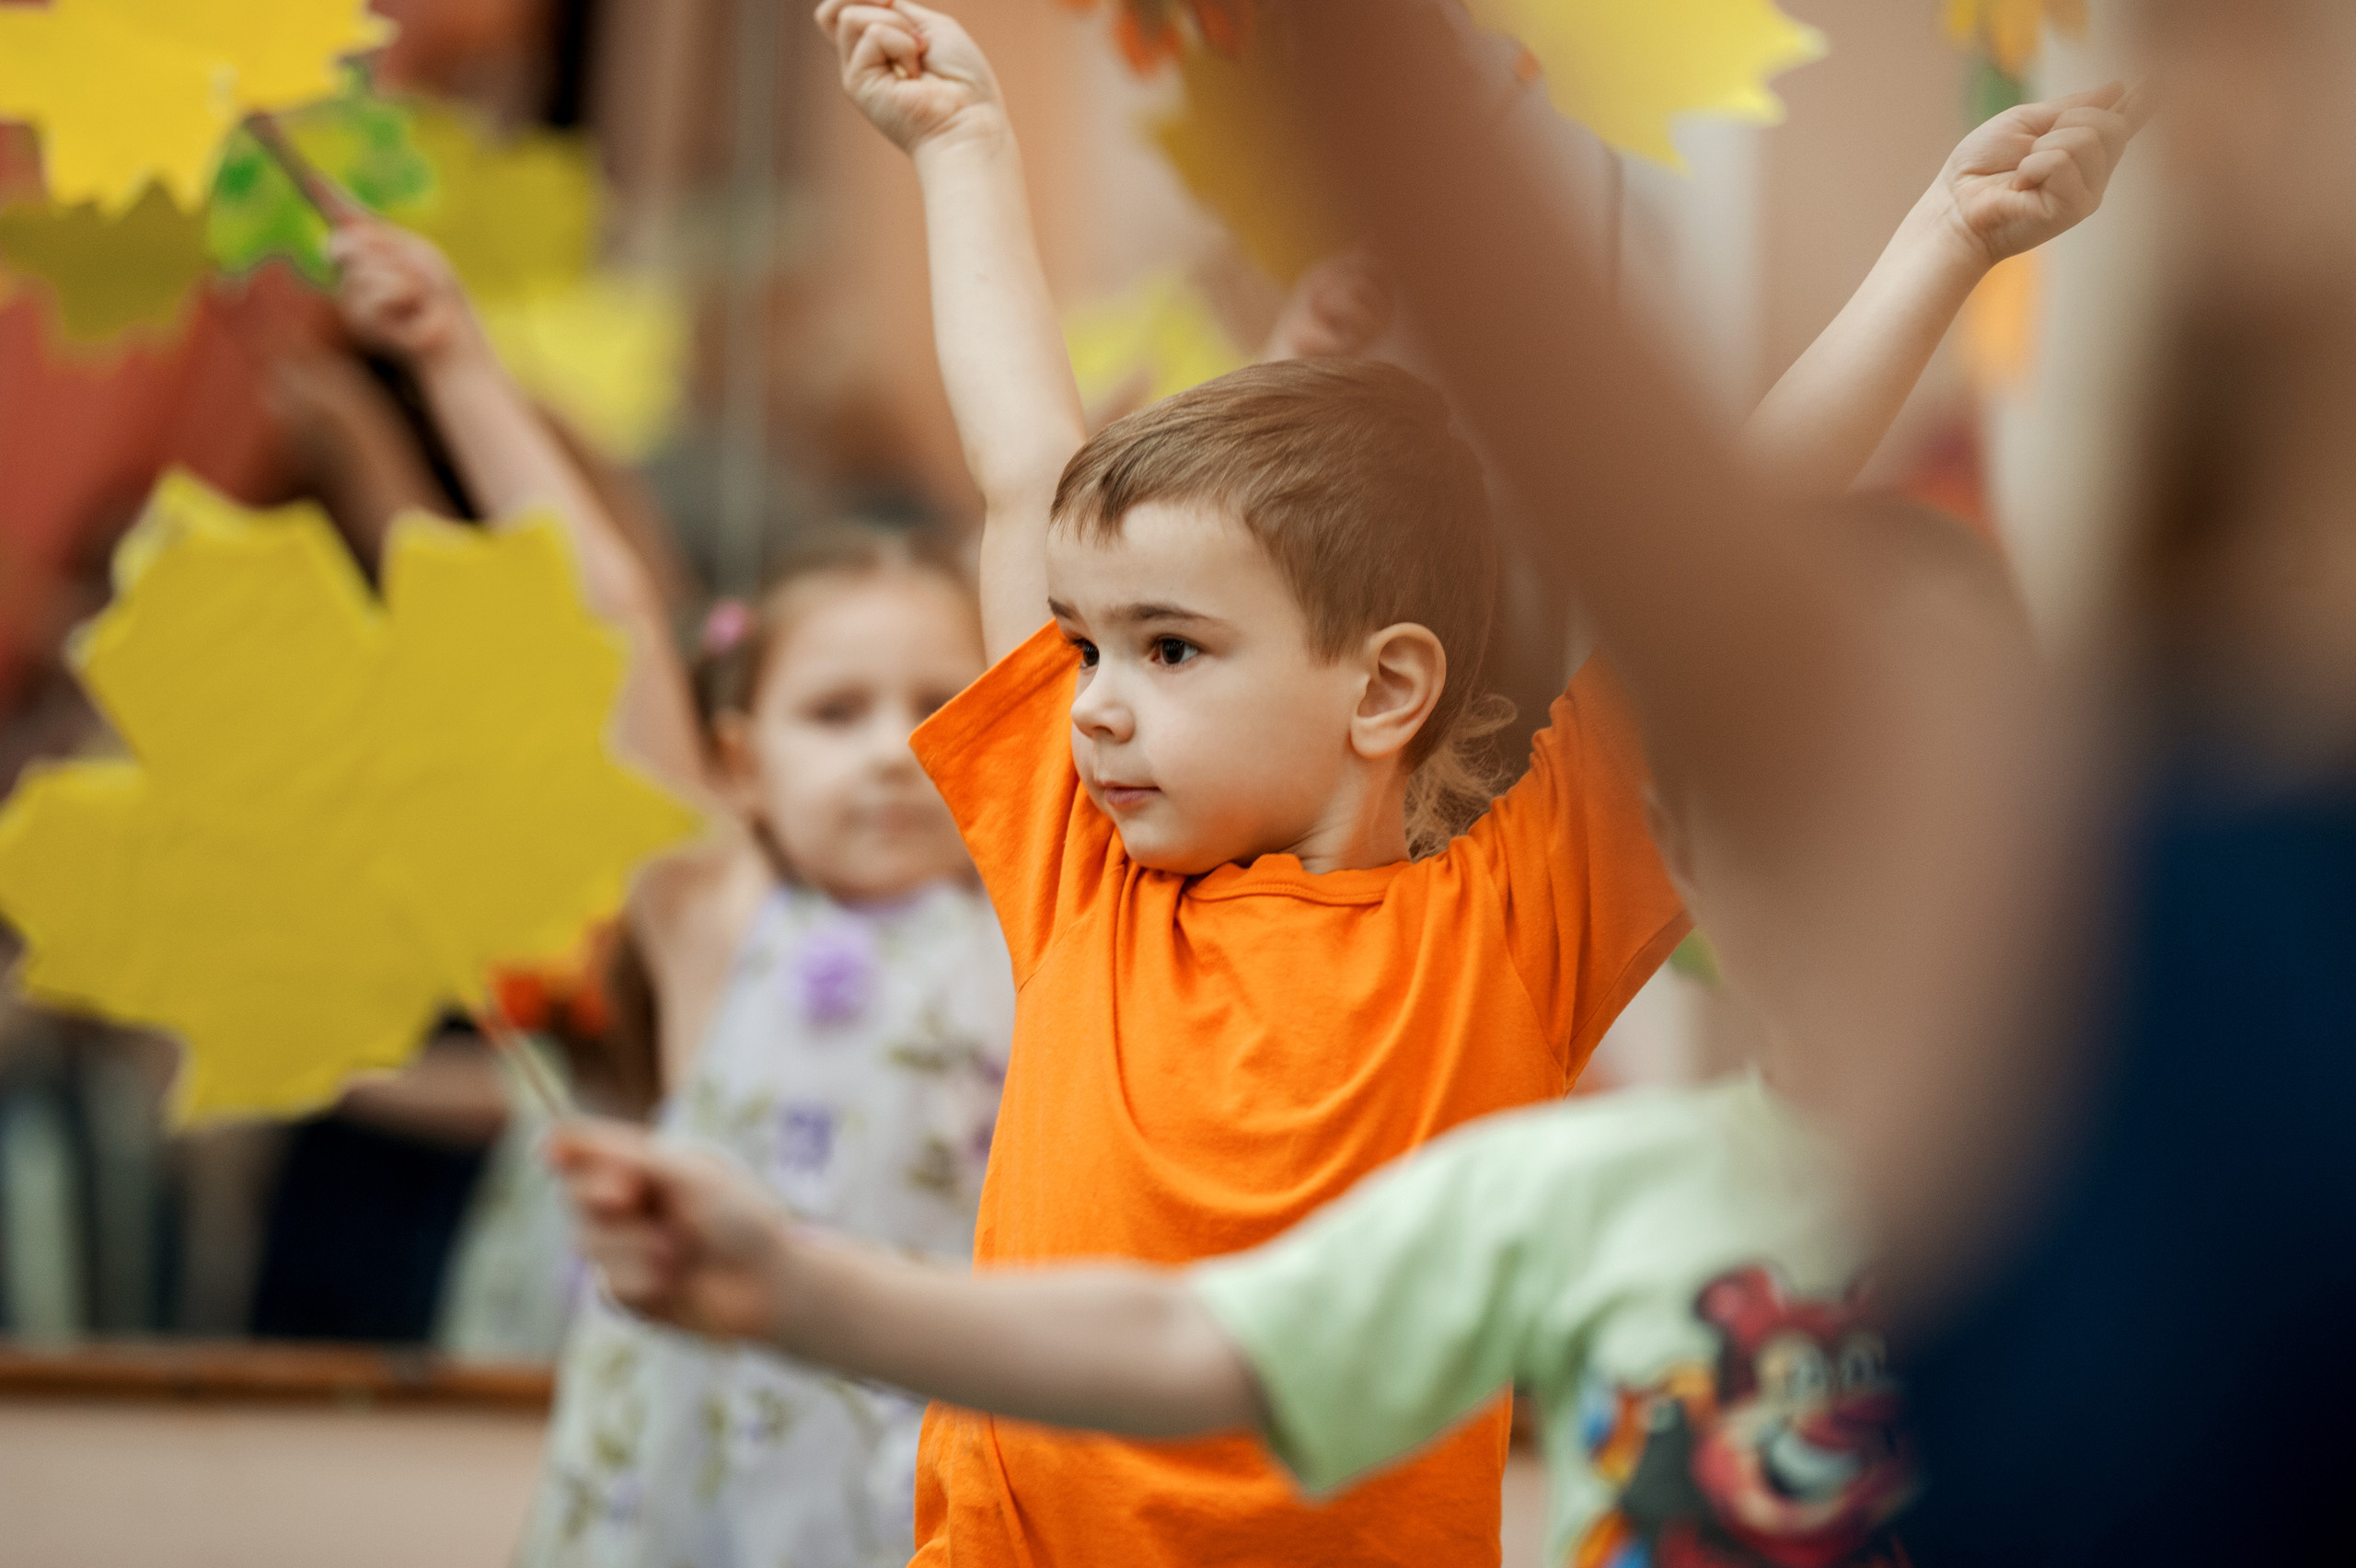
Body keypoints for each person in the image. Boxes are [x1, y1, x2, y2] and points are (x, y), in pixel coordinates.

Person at [329, 220, 1014, 1568]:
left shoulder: (1031, 939)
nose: (893, 746)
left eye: (940, 708)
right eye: (838, 710)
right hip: (685, 1497)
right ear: (743, 767)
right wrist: (458, 361)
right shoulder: (716, 917)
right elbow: (609, 618)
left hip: (922, 1493)